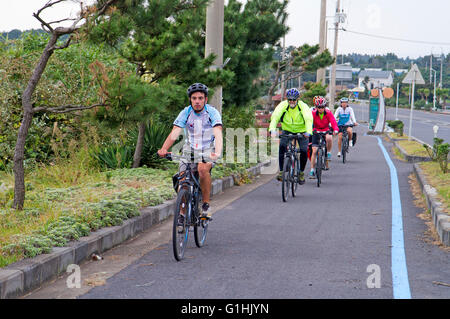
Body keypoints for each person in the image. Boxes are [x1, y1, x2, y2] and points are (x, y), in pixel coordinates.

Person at [157, 83, 223, 219]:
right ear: (190, 99)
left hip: (208, 147)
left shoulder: (212, 112)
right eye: (194, 98)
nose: (197, 101)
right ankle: (182, 212)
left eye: (200, 98)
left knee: (203, 170)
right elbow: (175, 132)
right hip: (190, 147)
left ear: (205, 99)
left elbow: (218, 133)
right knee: (182, 180)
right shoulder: (186, 112)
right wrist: (164, 148)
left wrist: (216, 152)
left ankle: (205, 205)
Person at [269, 88, 313, 183]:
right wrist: (272, 130)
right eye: (290, 99)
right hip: (287, 130)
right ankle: (281, 172)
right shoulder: (283, 105)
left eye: (294, 99)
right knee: (282, 147)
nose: (292, 101)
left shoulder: (303, 106)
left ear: (298, 99)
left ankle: (301, 173)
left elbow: (308, 119)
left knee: (304, 151)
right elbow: (275, 117)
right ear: (287, 99)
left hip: (302, 131)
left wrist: (308, 132)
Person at [309, 96, 339, 179]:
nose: (320, 109)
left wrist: (335, 129)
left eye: (322, 107)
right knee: (314, 151)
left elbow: (333, 122)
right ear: (316, 107)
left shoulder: (328, 113)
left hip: (326, 129)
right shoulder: (313, 113)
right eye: (319, 107)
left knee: (329, 138)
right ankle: (312, 170)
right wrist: (308, 130)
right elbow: (309, 122)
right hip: (316, 130)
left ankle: (328, 152)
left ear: (325, 107)